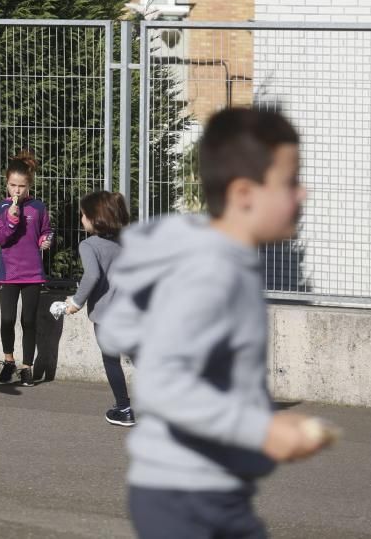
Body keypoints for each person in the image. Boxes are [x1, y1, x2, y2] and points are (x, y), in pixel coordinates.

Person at [97, 107, 329, 538]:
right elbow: (164, 387)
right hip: (185, 495)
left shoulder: (228, 264)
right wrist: (263, 428)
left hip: (210, 489)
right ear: (245, 194)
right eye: (291, 182)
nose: (303, 194)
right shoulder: (211, 274)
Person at [59, 190, 134, 425]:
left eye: (83, 215)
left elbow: (92, 275)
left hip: (106, 315)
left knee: (111, 361)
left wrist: (76, 302)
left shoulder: (89, 245)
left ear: (96, 218)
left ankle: (123, 408)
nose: (81, 219)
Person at [0, 151, 51, 387]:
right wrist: (11, 218)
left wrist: (45, 240)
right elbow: (0, 238)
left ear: (29, 185)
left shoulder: (38, 207)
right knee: (7, 319)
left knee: (28, 320)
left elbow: (46, 230)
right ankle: (8, 360)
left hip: (32, 272)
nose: (17, 191)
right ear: (7, 183)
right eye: (13, 185)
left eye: (22, 186)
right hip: (9, 272)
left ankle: (27, 366)